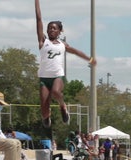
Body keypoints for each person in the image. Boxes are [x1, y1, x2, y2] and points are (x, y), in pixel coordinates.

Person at [34, 0, 97, 128]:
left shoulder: (63, 45)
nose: (51, 30)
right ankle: (47, 115)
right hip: (44, 79)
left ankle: (63, 106)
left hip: (58, 76)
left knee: (56, 92)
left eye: (54, 28)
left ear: (59, 31)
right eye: (49, 28)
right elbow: (39, 18)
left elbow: (76, 52)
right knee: (44, 113)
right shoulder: (43, 41)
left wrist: (89, 59)